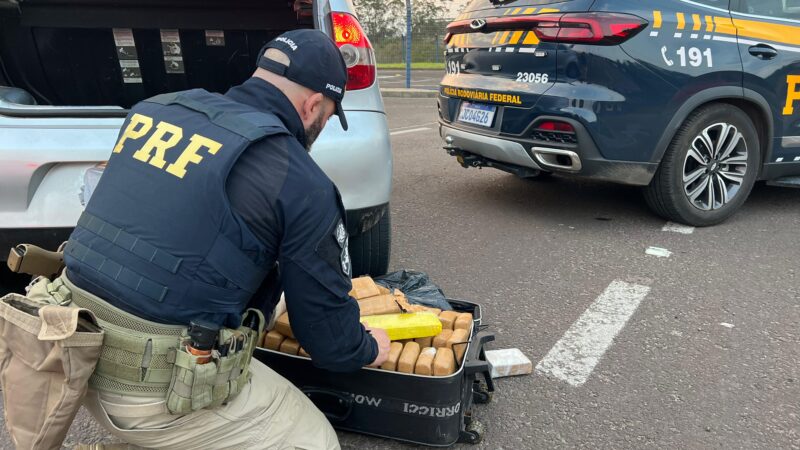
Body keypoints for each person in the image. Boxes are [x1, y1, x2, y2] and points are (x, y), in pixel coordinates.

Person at [51, 29, 391, 449]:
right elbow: (330, 345)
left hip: (64, 348)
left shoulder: (154, 110)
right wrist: (368, 346)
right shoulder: (299, 179)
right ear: (313, 106)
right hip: (149, 387)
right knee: (315, 440)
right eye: (325, 118)